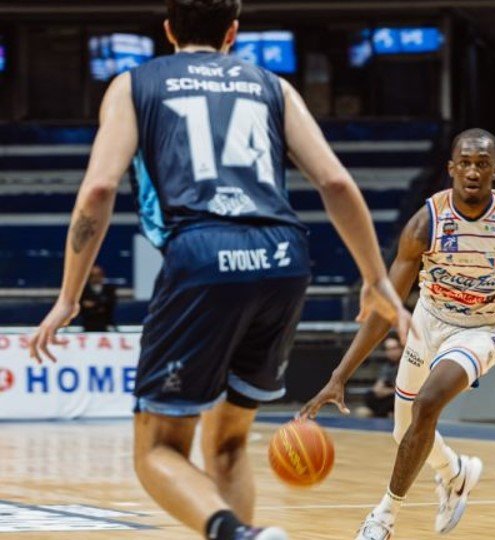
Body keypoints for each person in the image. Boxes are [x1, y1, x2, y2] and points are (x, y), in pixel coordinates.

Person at [27, 1, 411, 539]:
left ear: (167, 30)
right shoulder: (272, 85)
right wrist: (375, 280)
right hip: (282, 256)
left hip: (204, 252)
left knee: (157, 450)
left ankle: (240, 535)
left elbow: (97, 190)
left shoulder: (134, 83)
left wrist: (68, 297)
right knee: (229, 445)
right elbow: (337, 184)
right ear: (233, 32)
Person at [300, 128, 495, 540]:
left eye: (481, 165)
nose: (472, 172)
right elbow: (387, 306)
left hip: (483, 329)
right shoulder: (426, 224)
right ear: (451, 168)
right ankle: (454, 472)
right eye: (465, 164)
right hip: (428, 319)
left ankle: (384, 517)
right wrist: (339, 376)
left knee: (429, 402)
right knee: (403, 432)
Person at [359, 336, 403, 418]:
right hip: (390, 394)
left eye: (394, 348)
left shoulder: (406, 365)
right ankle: (386, 413)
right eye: (388, 349)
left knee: (396, 399)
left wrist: (388, 391)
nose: (391, 352)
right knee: (369, 395)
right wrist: (379, 390)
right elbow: (378, 386)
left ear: (401, 348)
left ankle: (379, 413)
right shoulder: (387, 366)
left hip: (400, 396)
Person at [79, 264, 117, 331]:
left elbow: (110, 304)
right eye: (92, 276)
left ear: (102, 275)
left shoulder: (109, 289)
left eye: (98, 275)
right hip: (87, 323)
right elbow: (81, 305)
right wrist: (100, 305)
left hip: (106, 322)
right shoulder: (83, 290)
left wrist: (93, 304)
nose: (96, 278)